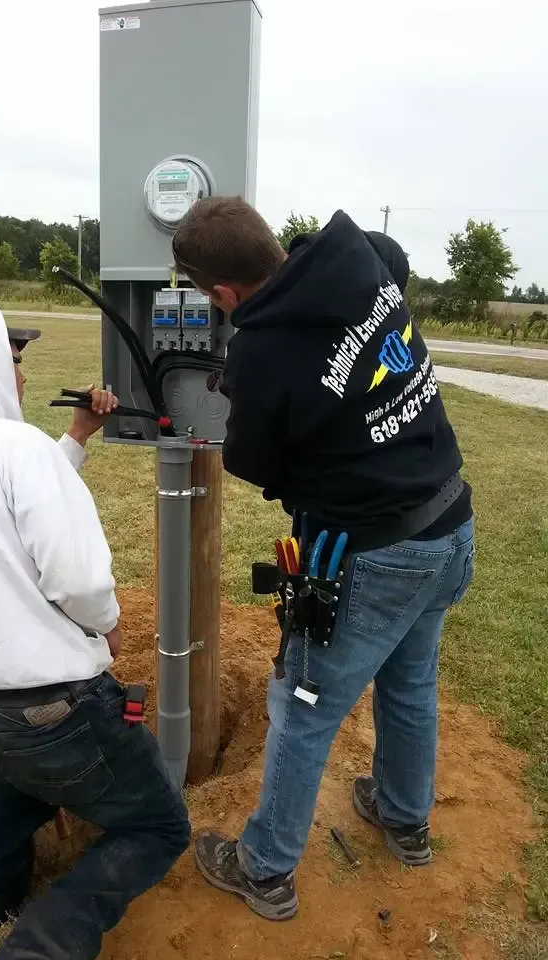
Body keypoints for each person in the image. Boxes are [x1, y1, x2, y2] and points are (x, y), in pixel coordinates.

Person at [172, 198, 475, 921]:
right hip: (451, 522)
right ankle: (405, 819)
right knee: (409, 683)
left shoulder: (261, 352)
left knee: (302, 705)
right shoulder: (355, 256)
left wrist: (233, 390)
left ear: (221, 295)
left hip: (373, 555)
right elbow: (391, 266)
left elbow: (252, 459)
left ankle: (265, 867)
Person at [0, 303, 190, 959]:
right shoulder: (15, 446)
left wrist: (79, 435)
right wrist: (108, 626)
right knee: (156, 824)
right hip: (59, 711)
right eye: (15, 362)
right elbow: (77, 578)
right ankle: (37, 947)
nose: (22, 378)